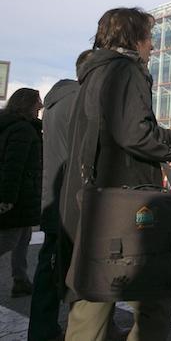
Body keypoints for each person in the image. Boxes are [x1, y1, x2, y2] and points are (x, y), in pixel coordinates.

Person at [59, 7, 171, 341]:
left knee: (94, 296)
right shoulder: (126, 70)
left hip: (98, 205)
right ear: (135, 38)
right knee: (157, 297)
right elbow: (137, 134)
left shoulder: (93, 73)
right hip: (128, 207)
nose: (153, 47)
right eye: (149, 39)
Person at [28, 52, 95, 341]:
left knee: (50, 267)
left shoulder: (54, 103)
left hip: (53, 198)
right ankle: (59, 331)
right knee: (82, 269)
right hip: (74, 199)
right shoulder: (81, 100)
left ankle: (42, 329)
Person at [0, 88, 43, 299]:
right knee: (9, 239)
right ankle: (20, 279)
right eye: (38, 101)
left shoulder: (12, 127)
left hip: (23, 193)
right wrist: (8, 198)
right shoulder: (23, 130)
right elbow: (13, 166)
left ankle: (21, 279)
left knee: (24, 237)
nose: (41, 106)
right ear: (28, 104)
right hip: (20, 194)